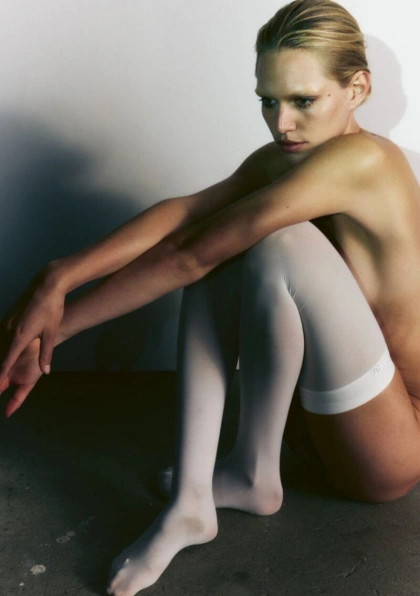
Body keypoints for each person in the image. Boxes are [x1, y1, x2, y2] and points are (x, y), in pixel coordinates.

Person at [0, 0, 419, 594]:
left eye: (303, 101)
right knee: (233, 239)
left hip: (390, 445)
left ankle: (235, 480)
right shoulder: (291, 158)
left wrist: (54, 330)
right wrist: (59, 276)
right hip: (316, 424)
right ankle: (217, 489)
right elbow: (185, 214)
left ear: (358, 89)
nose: (281, 123)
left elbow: (190, 251)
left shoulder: (364, 159)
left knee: (269, 241)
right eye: (268, 101)